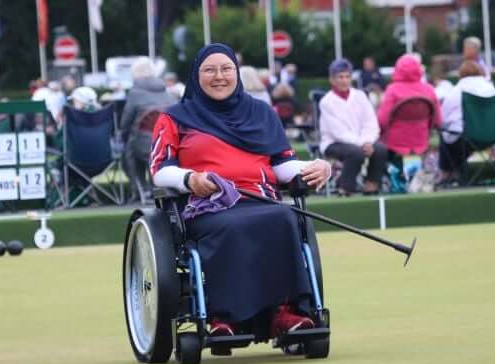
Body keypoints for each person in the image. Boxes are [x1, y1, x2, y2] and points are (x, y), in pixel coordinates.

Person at [149, 43, 331, 341]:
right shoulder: (174, 118)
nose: (218, 76)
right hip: (208, 205)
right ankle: (222, 315)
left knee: (285, 218)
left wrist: (314, 167)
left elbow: (282, 165)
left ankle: (285, 313)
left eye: (226, 69)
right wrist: (190, 178)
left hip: (261, 199)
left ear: (237, 73)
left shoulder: (262, 113)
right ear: (197, 75)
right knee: (232, 225)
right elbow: (160, 170)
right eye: (209, 70)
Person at [319, 58, 386, 196]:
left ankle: (371, 186)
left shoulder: (360, 96)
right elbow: (338, 132)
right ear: (332, 80)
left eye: (348, 76)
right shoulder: (326, 102)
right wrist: (363, 144)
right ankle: (345, 189)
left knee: (380, 149)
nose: (344, 80)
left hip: (361, 141)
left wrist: (368, 141)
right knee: (356, 153)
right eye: (340, 77)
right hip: (333, 143)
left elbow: (371, 123)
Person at [121, 57, 176, 203]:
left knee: (128, 149)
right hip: (167, 143)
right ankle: (153, 188)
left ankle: (140, 189)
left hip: (144, 145)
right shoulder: (167, 93)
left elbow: (126, 122)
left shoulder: (134, 93)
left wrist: (122, 137)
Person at [438, 60, 495, 185]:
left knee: (446, 134)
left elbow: (443, 118)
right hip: (493, 136)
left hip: (468, 138)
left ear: (461, 74)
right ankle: (456, 174)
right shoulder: (491, 89)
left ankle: (447, 174)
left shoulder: (457, 90)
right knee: (457, 137)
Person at [377, 54, 442, 156]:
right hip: (421, 142)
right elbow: (438, 121)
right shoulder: (429, 90)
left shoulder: (392, 90)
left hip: (394, 144)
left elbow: (381, 121)